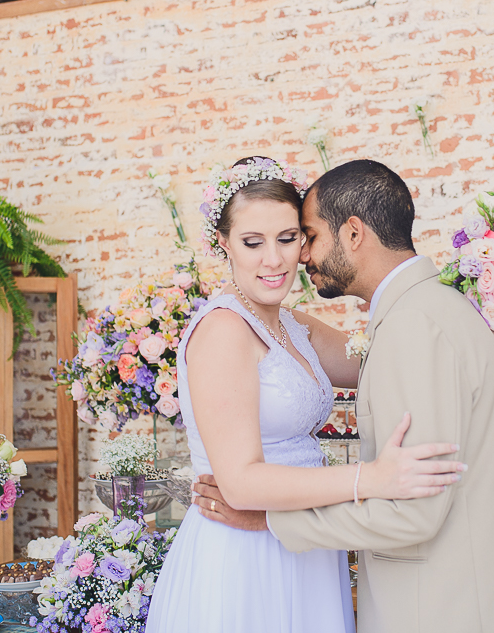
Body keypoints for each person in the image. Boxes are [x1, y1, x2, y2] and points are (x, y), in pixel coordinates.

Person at [193, 160, 494, 633]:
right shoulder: (436, 307)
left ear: (353, 234)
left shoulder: (411, 325)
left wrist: (275, 522)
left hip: (442, 605)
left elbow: (414, 511)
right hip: (254, 563)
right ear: (226, 243)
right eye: (253, 242)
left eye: (302, 237)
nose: (294, 257)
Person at [145, 157, 466, 633]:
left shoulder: (295, 326)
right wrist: (370, 479)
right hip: (243, 551)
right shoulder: (223, 331)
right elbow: (241, 484)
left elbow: (389, 359)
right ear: (224, 244)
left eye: (288, 238)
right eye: (252, 242)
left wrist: (455, 304)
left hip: (308, 545)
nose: (273, 260)